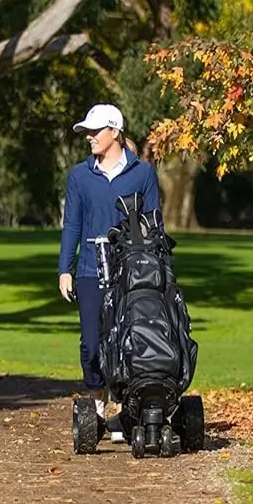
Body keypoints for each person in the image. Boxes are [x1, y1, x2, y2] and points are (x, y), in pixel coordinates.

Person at [57, 103, 163, 443]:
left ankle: (122, 407)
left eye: (95, 131)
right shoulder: (79, 175)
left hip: (131, 272)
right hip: (89, 268)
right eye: (87, 132)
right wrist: (65, 269)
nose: (89, 137)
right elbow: (71, 224)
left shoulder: (142, 174)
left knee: (126, 340)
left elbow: (153, 224)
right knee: (91, 344)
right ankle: (98, 401)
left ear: (114, 131)